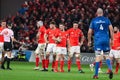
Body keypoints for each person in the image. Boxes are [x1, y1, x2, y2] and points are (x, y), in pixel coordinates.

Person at [88, 8, 114, 79]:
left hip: (98, 40)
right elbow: (111, 30)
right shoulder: (107, 20)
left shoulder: (94, 20)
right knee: (107, 55)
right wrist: (112, 40)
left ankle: (96, 74)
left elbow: (89, 32)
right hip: (106, 40)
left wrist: (89, 41)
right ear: (102, 13)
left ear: (97, 13)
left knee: (98, 57)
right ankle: (110, 69)